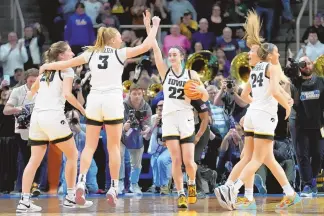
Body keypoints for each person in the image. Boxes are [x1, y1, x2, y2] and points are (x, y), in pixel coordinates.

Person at [38, 12, 161, 206]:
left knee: (89, 146)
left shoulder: (90, 53)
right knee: (113, 147)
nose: (121, 40)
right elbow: (147, 46)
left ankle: (81, 182)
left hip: (94, 100)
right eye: (119, 38)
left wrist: (47, 66)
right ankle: (113, 186)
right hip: (112, 100)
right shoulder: (120, 53)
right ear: (112, 40)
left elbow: (66, 63)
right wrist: (153, 26)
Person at [214, 10, 301, 210]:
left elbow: (245, 96)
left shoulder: (256, 70)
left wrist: (261, 101)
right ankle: (235, 190)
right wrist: (286, 105)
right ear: (269, 55)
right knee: (258, 158)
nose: (249, 55)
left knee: (260, 157)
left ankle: (243, 191)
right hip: (263, 115)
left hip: (255, 113)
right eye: (276, 53)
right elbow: (275, 91)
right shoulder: (269, 67)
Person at [16, 41, 92, 213]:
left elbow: (31, 93)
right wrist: (82, 110)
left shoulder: (44, 69)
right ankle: (71, 197)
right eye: (70, 52)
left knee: (33, 160)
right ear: (61, 56)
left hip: (37, 117)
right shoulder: (67, 70)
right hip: (53, 116)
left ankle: (24, 201)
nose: (72, 54)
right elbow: (66, 94)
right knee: (73, 154)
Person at [144, 11, 209, 208]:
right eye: (169, 54)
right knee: (175, 159)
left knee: (189, 161)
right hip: (170, 118)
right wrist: (150, 27)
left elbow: (205, 97)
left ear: (182, 56)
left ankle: (191, 184)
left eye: (175, 54)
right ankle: (180, 193)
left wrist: (200, 90)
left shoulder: (191, 74)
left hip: (186, 117)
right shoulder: (165, 72)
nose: (171, 56)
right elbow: (154, 47)